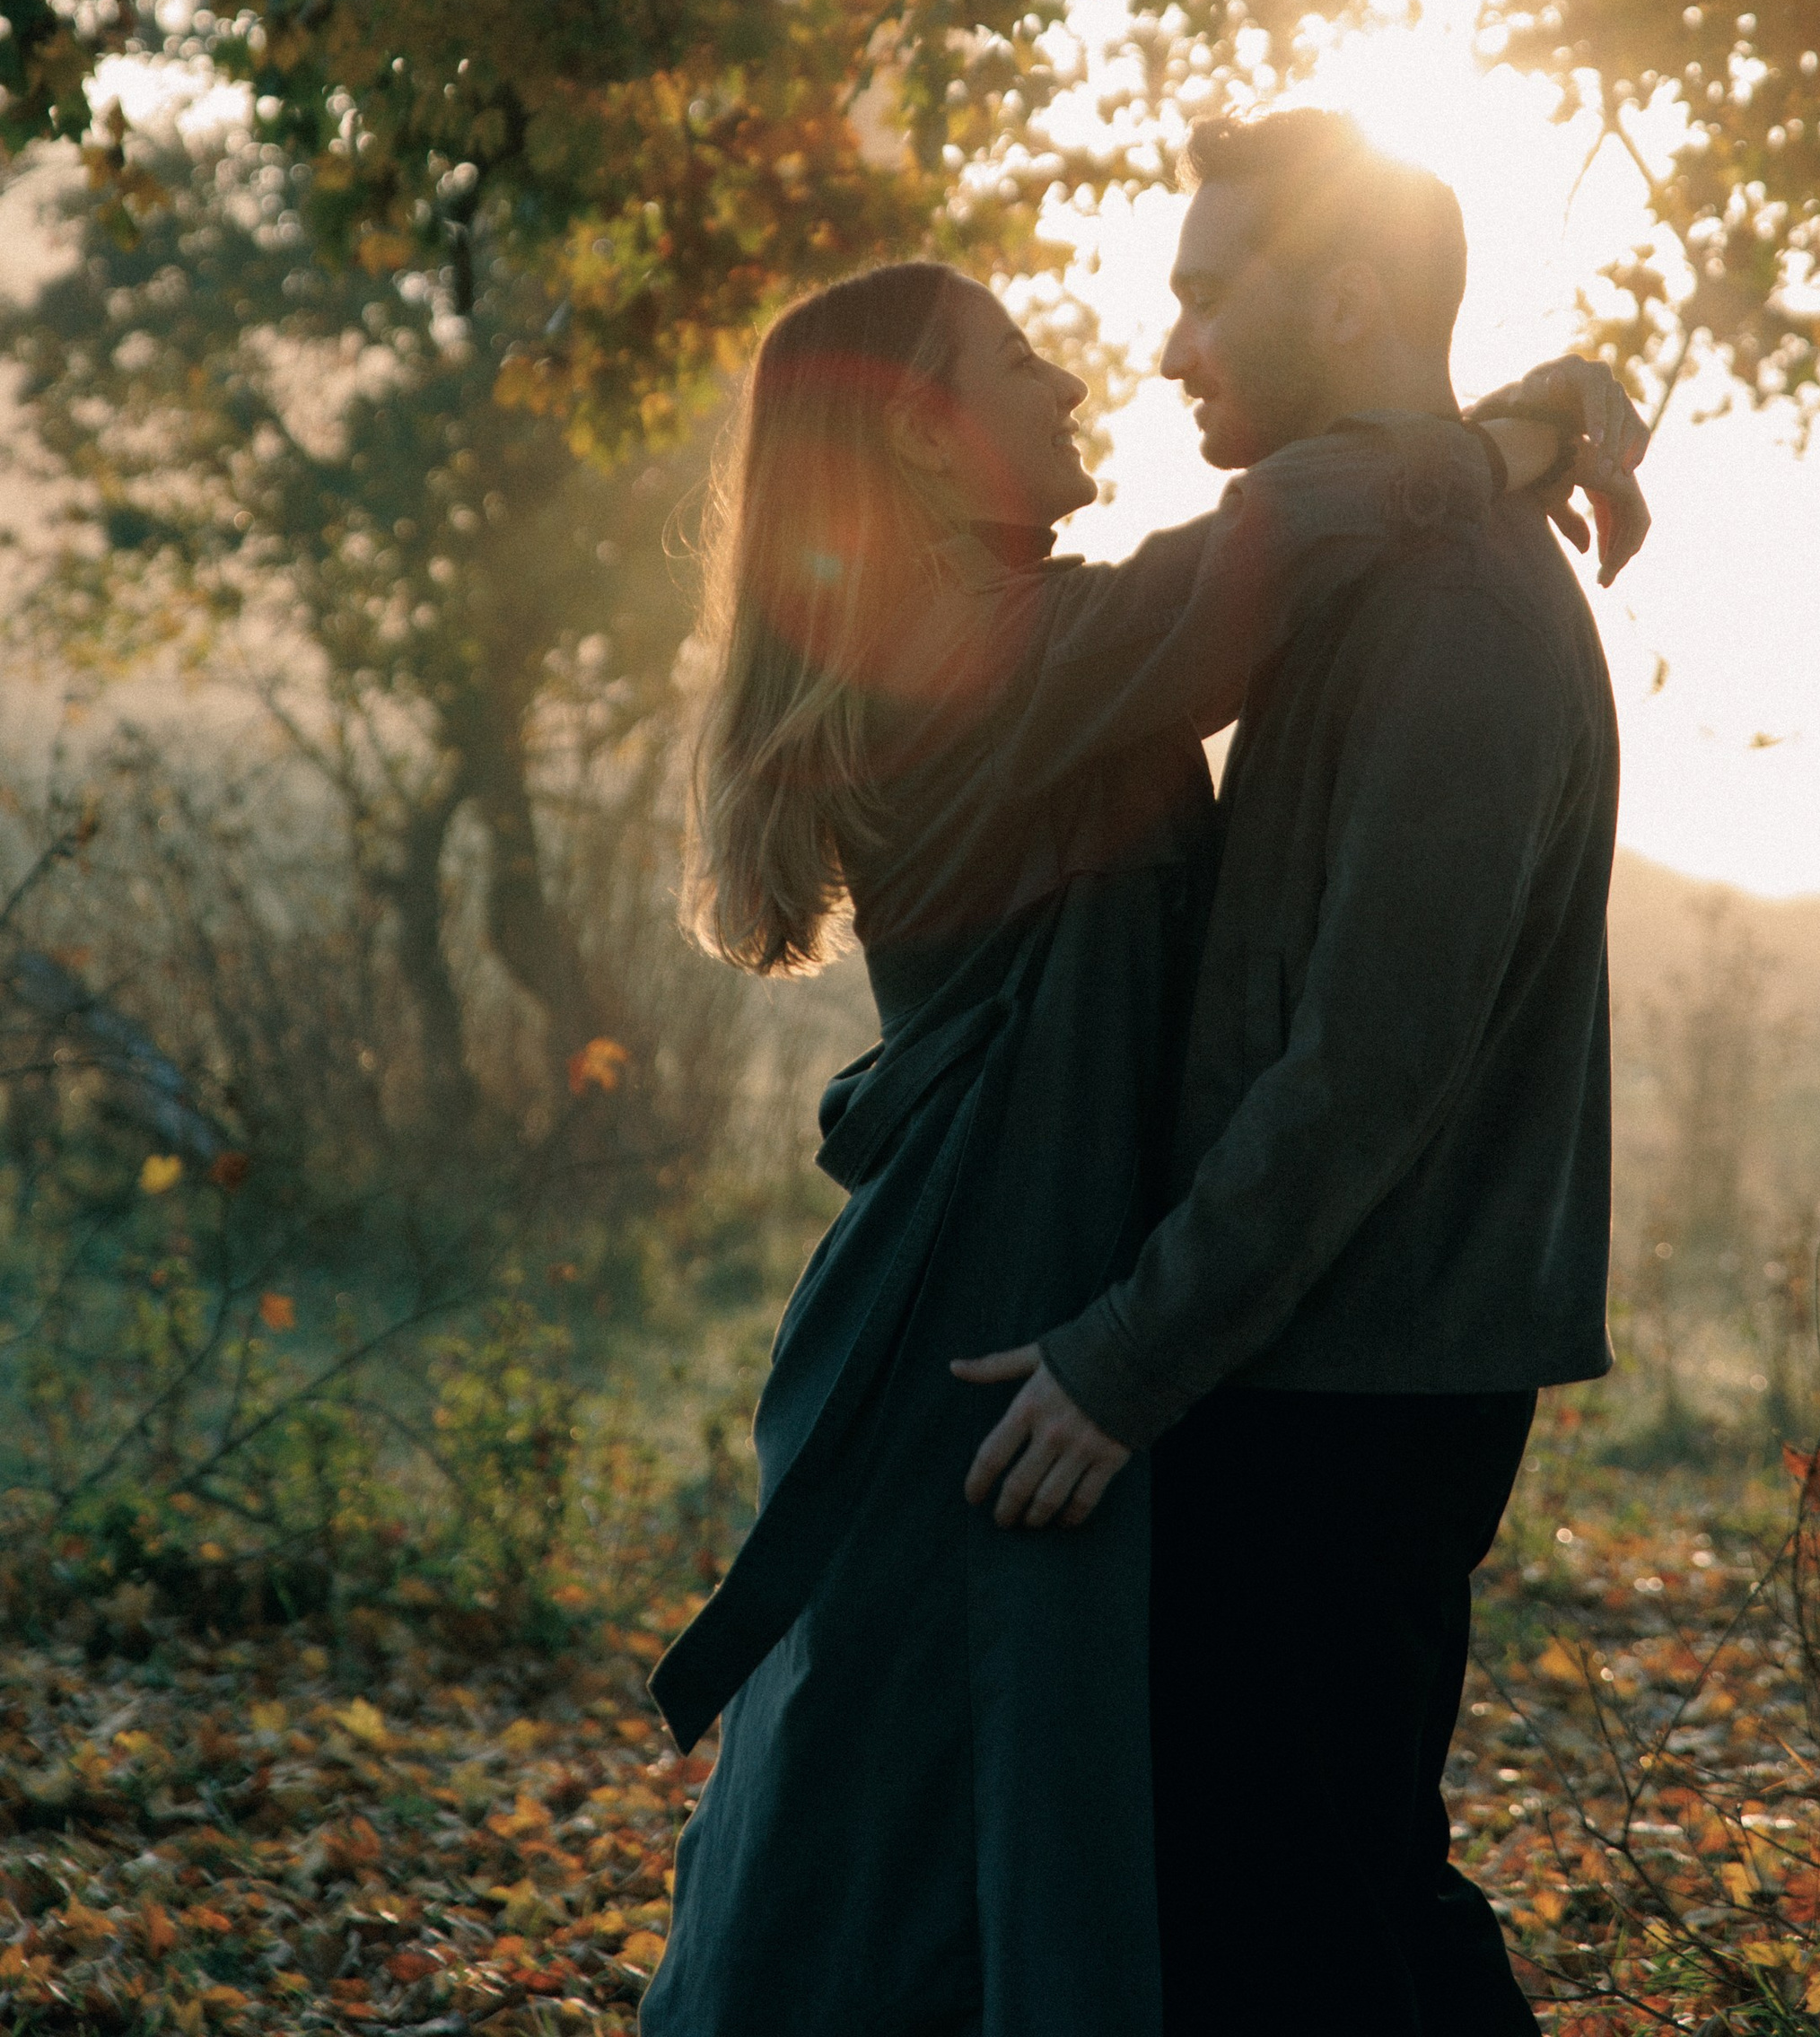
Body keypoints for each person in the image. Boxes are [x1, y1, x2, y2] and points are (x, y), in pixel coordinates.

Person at [637, 253, 1641, 2037]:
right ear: (927, 448)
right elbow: (1282, 535)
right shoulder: (970, 661)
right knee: (898, 1819)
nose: (1077, 382)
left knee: (1002, 1799)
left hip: (1020, 1286)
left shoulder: (1014, 639)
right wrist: (1516, 427)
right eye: (1015, 362)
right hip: (984, 1304)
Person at [956, 114, 1637, 2036]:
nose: (1163, 345)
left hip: (1361, 1365)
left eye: (1201, 294)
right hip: (1317, 1347)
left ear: (1341, 295)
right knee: (1273, 1892)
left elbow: (1370, 1058)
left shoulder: (1452, 612)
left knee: (1326, 1895)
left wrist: (1125, 1358)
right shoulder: (1383, 564)